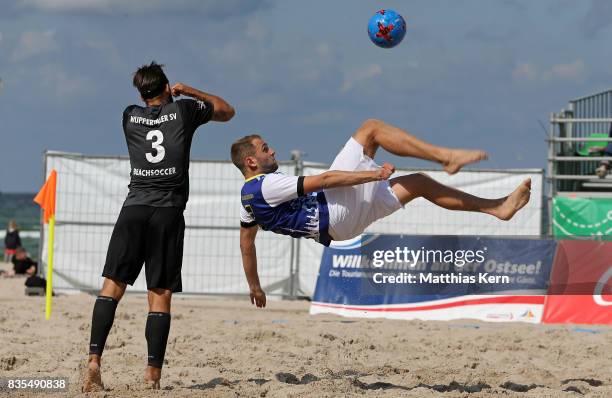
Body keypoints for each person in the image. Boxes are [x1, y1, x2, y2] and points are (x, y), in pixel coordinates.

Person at [231, 119, 531, 308]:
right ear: (251, 161)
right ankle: (447, 157)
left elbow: (246, 244)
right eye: (264, 149)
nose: (272, 151)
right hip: (335, 211)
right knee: (370, 130)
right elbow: (324, 180)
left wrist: (255, 287)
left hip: (340, 224)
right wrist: (373, 176)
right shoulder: (266, 184)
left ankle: (497, 208)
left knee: (419, 184)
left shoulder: (247, 197)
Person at [82, 62, 235, 392]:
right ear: (167, 88)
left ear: (140, 93)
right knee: (160, 295)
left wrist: (164, 95)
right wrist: (190, 91)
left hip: (133, 208)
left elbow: (151, 110)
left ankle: (94, 360)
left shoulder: (128, 115)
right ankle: (152, 374)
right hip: (167, 211)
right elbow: (227, 111)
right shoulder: (183, 111)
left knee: (112, 287)